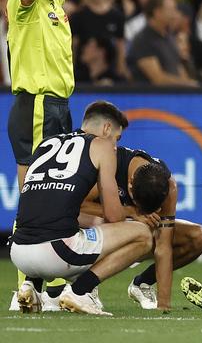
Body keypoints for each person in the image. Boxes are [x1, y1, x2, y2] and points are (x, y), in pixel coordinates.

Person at [6, 0, 110, 309]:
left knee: (57, 201)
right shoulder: (25, 3)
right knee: (33, 203)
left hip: (58, 108)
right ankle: (25, 289)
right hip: (35, 107)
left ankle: (46, 288)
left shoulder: (53, 5)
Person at [10, 101, 168, 315]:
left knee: (70, 219)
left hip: (19, 251)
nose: (115, 146)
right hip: (56, 254)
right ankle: (80, 292)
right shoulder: (102, 147)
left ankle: (32, 285)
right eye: (117, 138)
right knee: (143, 235)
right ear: (106, 129)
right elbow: (114, 217)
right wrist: (134, 214)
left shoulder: (47, 143)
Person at [80, 146, 202, 311]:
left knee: (199, 237)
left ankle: (142, 284)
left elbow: (164, 246)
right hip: (96, 230)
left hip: (135, 233)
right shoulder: (112, 164)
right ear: (130, 183)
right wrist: (129, 211)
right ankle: (85, 285)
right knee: (93, 219)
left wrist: (164, 305)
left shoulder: (169, 187)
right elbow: (80, 206)